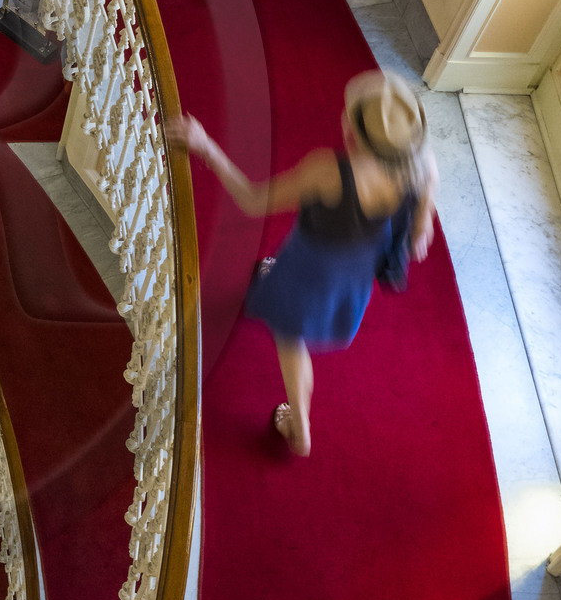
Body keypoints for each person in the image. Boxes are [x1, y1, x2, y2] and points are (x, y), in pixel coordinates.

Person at [167, 69, 438, 458]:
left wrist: (205, 145)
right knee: (293, 309)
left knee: (290, 338)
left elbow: (252, 200)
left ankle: (300, 424)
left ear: (351, 134)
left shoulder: (327, 171)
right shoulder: (419, 167)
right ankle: (298, 414)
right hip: (352, 280)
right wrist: (416, 229)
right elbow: (421, 225)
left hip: (306, 278)